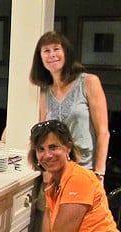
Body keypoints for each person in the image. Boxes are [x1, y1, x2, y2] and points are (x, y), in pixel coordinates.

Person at [30, 31, 109, 176]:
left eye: (56, 49)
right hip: (54, 171)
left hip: (85, 169)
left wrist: (99, 172)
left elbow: (103, 133)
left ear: (66, 53)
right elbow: (42, 136)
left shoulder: (89, 82)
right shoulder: (44, 91)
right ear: (40, 57)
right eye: (46, 51)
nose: (52, 55)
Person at [27, 120, 117, 231]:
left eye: (53, 147)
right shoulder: (52, 184)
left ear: (68, 147)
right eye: (41, 149)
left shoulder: (78, 179)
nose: (47, 155)